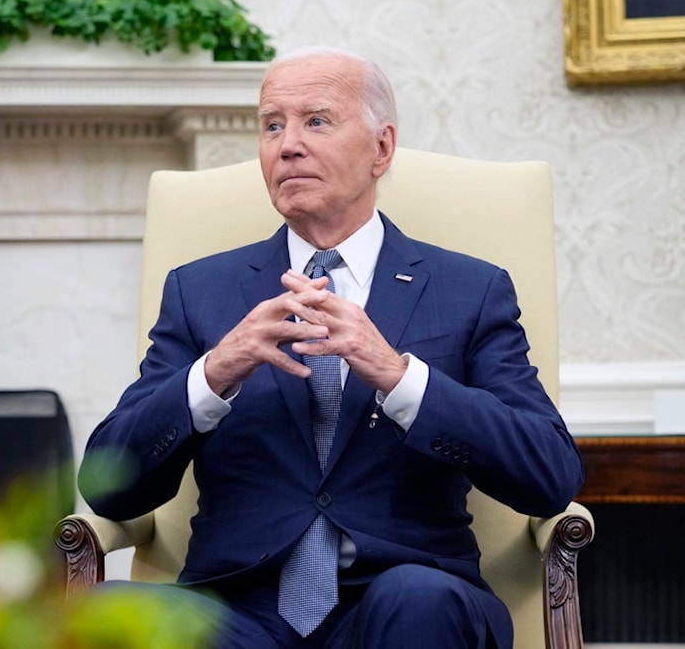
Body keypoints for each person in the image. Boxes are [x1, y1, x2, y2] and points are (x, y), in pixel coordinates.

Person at [78, 46, 584, 648]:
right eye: (272, 125)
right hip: (236, 612)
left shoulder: (469, 290)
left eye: (316, 120)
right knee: (105, 612)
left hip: (403, 597)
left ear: (381, 149)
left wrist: (398, 377)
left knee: (418, 600)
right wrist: (213, 372)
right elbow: (109, 484)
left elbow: (549, 475)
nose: (287, 144)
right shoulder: (200, 291)